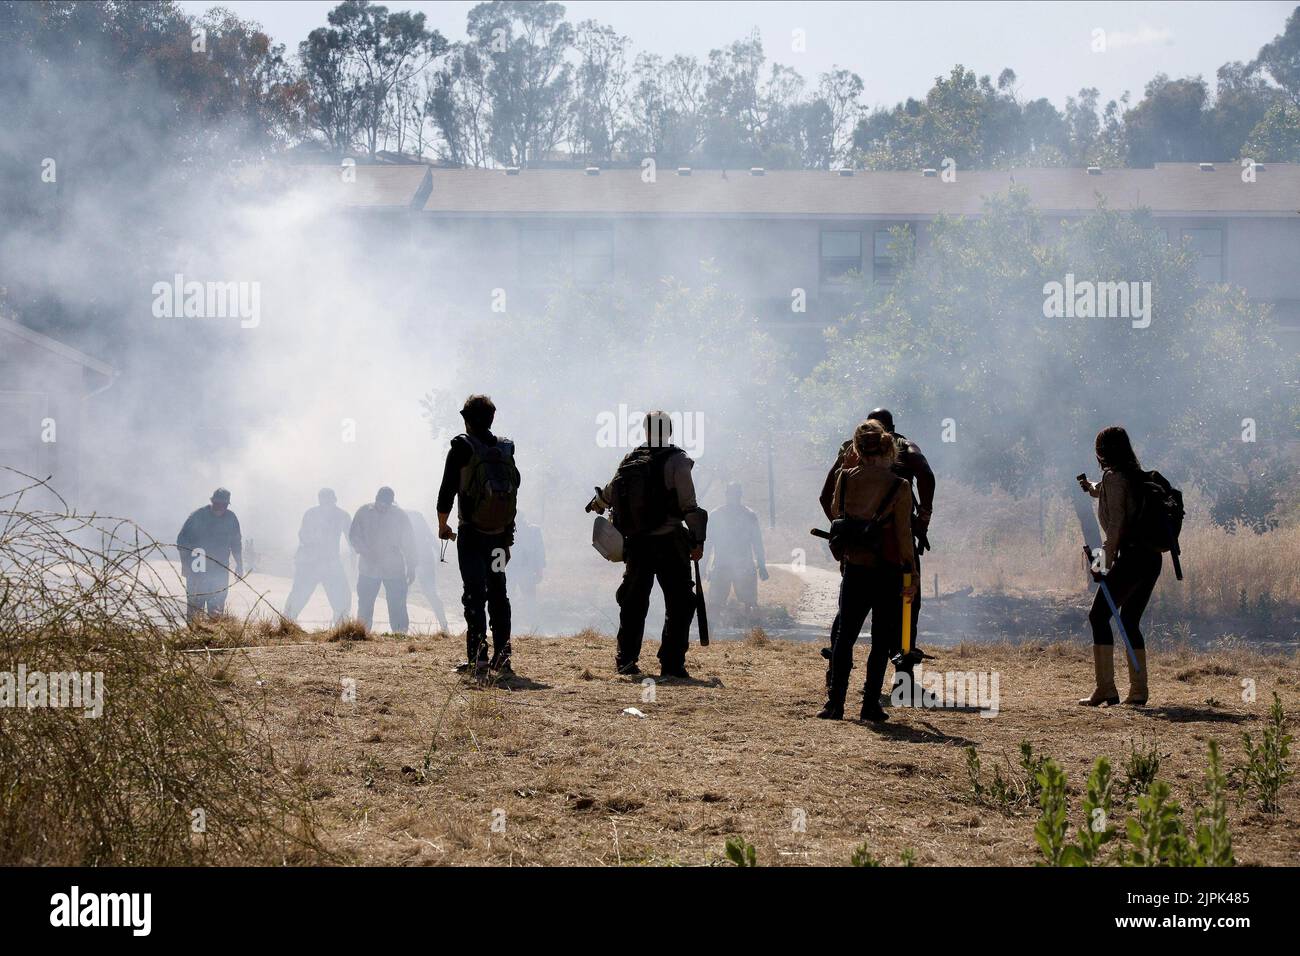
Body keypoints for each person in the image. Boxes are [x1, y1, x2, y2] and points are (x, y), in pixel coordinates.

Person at [819, 407, 935, 700]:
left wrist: (846, 530)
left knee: (846, 622)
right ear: (889, 434)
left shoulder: (848, 458)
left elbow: (825, 498)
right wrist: (923, 516)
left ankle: (836, 687)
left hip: (857, 554)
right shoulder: (904, 451)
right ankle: (901, 685)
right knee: (903, 614)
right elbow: (926, 472)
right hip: (893, 554)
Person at [589, 410, 707, 679]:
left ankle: (626, 661)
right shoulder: (678, 460)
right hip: (670, 543)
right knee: (680, 604)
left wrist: (596, 504)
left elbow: (609, 493)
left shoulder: (630, 459)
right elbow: (689, 505)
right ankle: (672, 664)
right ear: (669, 432)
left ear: (645, 431)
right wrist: (697, 541)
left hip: (637, 544)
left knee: (633, 604)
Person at [437, 395, 520, 677]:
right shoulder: (506, 448)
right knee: (499, 592)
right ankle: (503, 657)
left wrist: (442, 525)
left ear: (467, 419)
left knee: (475, 594)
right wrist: (507, 536)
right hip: (499, 538)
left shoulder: (462, 447)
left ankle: (478, 660)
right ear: (492, 418)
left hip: (472, 536)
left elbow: (447, 491)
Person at [1077, 426, 1160, 706]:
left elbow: (1116, 525)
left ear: (1103, 452)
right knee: (1130, 621)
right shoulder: (1133, 475)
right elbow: (1104, 490)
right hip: (1151, 559)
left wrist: (1103, 563)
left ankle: (1106, 689)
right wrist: (1090, 487)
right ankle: (1138, 691)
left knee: (1098, 617)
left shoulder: (1113, 478)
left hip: (1132, 558)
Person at [349, 486, 417, 635]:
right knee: (365, 604)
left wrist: (411, 567)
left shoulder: (400, 515)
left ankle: (400, 634)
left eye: (386, 504)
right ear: (376, 500)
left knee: (397, 604)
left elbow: (409, 542)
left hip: (394, 569)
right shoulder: (363, 512)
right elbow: (354, 535)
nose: (383, 507)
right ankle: (362, 633)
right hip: (368, 568)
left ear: (391, 503)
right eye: (380, 503)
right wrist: (365, 552)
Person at [283, 488, 352, 625]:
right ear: (319, 501)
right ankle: (286, 625)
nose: (326, 504)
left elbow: (351, 539)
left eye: (329, 500)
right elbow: (302, 535)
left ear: (334, 500)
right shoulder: (311, 514)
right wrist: (314, 543)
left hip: (331, 562)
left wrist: (354, 558)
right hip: (310, 563)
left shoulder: (342, 515)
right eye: (323, 500)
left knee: (341, 595)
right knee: (299, 594)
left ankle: (342, 628)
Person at [176, 487, 243, 621]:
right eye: (217, 504)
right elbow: (182, 541)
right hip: (198, 568)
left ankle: (213, 638)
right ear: (212, 501)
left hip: (220, 569)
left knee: (217, 609)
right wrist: (185, 565)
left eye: (223, 505)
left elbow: (236, 543)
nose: (220, 507)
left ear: (227, 504)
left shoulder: (231, 518)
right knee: (195, 609)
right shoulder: (198, 516)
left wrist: (239, 565)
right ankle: (193, 636)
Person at [703, 482, 768, 609]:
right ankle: (713, 626)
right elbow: (708, 542)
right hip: (722, 565)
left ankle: (750, 626)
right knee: (715, 604)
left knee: (749, 604)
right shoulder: (716, 515)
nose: (734, 497)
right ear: (726, 495)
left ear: (740, 495)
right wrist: (702, 565)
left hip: (744, 566)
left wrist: (762, 565)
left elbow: (757, 543)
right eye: (731, 494)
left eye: (736, 494)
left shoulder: (749, 515)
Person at [407, 509, 450, 632]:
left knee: (429, 592)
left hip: (421, 559)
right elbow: (430, 536)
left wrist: (438, 554)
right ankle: (444, 626)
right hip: (421, 558)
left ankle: (444, 626)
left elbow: (429, 537)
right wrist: (438, 554)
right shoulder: (416, 516)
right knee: (431, 593)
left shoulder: (407, 516)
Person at [508, 512, 546, 627]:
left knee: (529, 600)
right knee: (510, 597)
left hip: (525, 570)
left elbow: (539, 552)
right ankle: (514, 624)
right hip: (511, 570)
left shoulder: (533, 531)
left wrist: (539, 570)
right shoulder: (506, 529)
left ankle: (532, 625)